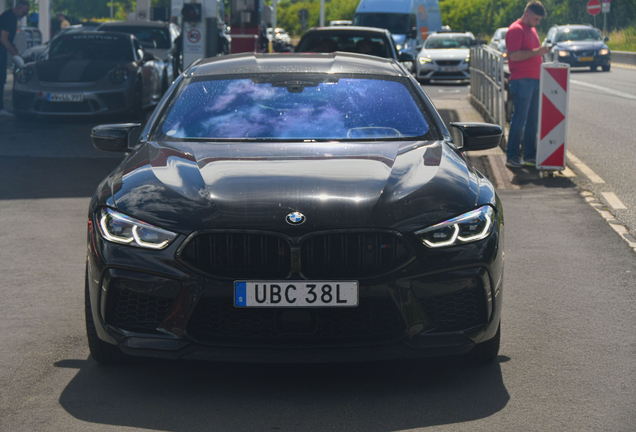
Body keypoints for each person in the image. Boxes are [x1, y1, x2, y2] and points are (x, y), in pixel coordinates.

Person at [504, 0, 550, 168]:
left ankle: (530, 155)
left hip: (534, 79)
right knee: (519, 120)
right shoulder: (516, 29)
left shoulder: (531, 29)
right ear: (528, 14)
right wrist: (538, 52)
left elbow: (531, 54)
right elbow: (514, 56)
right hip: (522, 80)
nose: (538, 23)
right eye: (536, 19)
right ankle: (512, 155)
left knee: (532, 120)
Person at [0, 0, 30, 117]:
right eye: (24, 13)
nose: (24, 16)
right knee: (1, 79)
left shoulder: (8, 16)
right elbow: (3, 39)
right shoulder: (9, 18)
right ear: (18, 9)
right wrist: (15, 54)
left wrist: (14, 48)